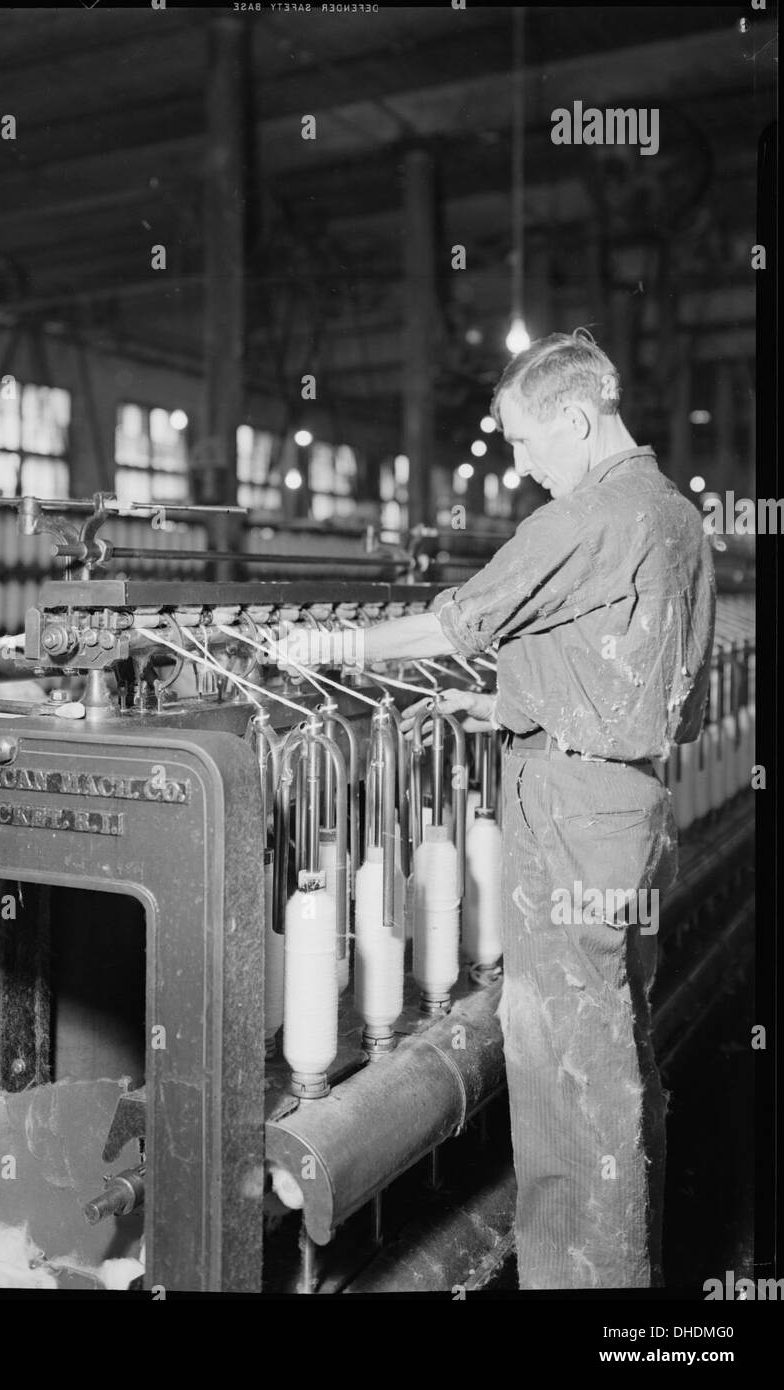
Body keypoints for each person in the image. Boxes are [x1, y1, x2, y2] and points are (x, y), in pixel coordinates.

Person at [297, 330, 716, 1288]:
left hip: (568, 816)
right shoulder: (676, 516)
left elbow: (458, 621)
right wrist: (502, 705)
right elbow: (655, 689)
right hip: (632, 810)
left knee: (565, 1071)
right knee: (616, 1046)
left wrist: (327, 650)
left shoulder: (586, 513)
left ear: (573, 418)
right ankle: (626, 1273)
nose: (520, 468)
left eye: (524, 443)